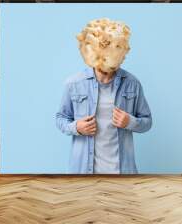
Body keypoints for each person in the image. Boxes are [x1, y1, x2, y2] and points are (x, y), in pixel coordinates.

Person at [56, 18, 152, 174]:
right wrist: (76, 127)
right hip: (83, 173)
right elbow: (60, 118)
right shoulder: (73, 84)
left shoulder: (132, 84)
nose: (108, 72)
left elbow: (147, 122)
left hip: (122, 172)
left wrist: (130, 121)